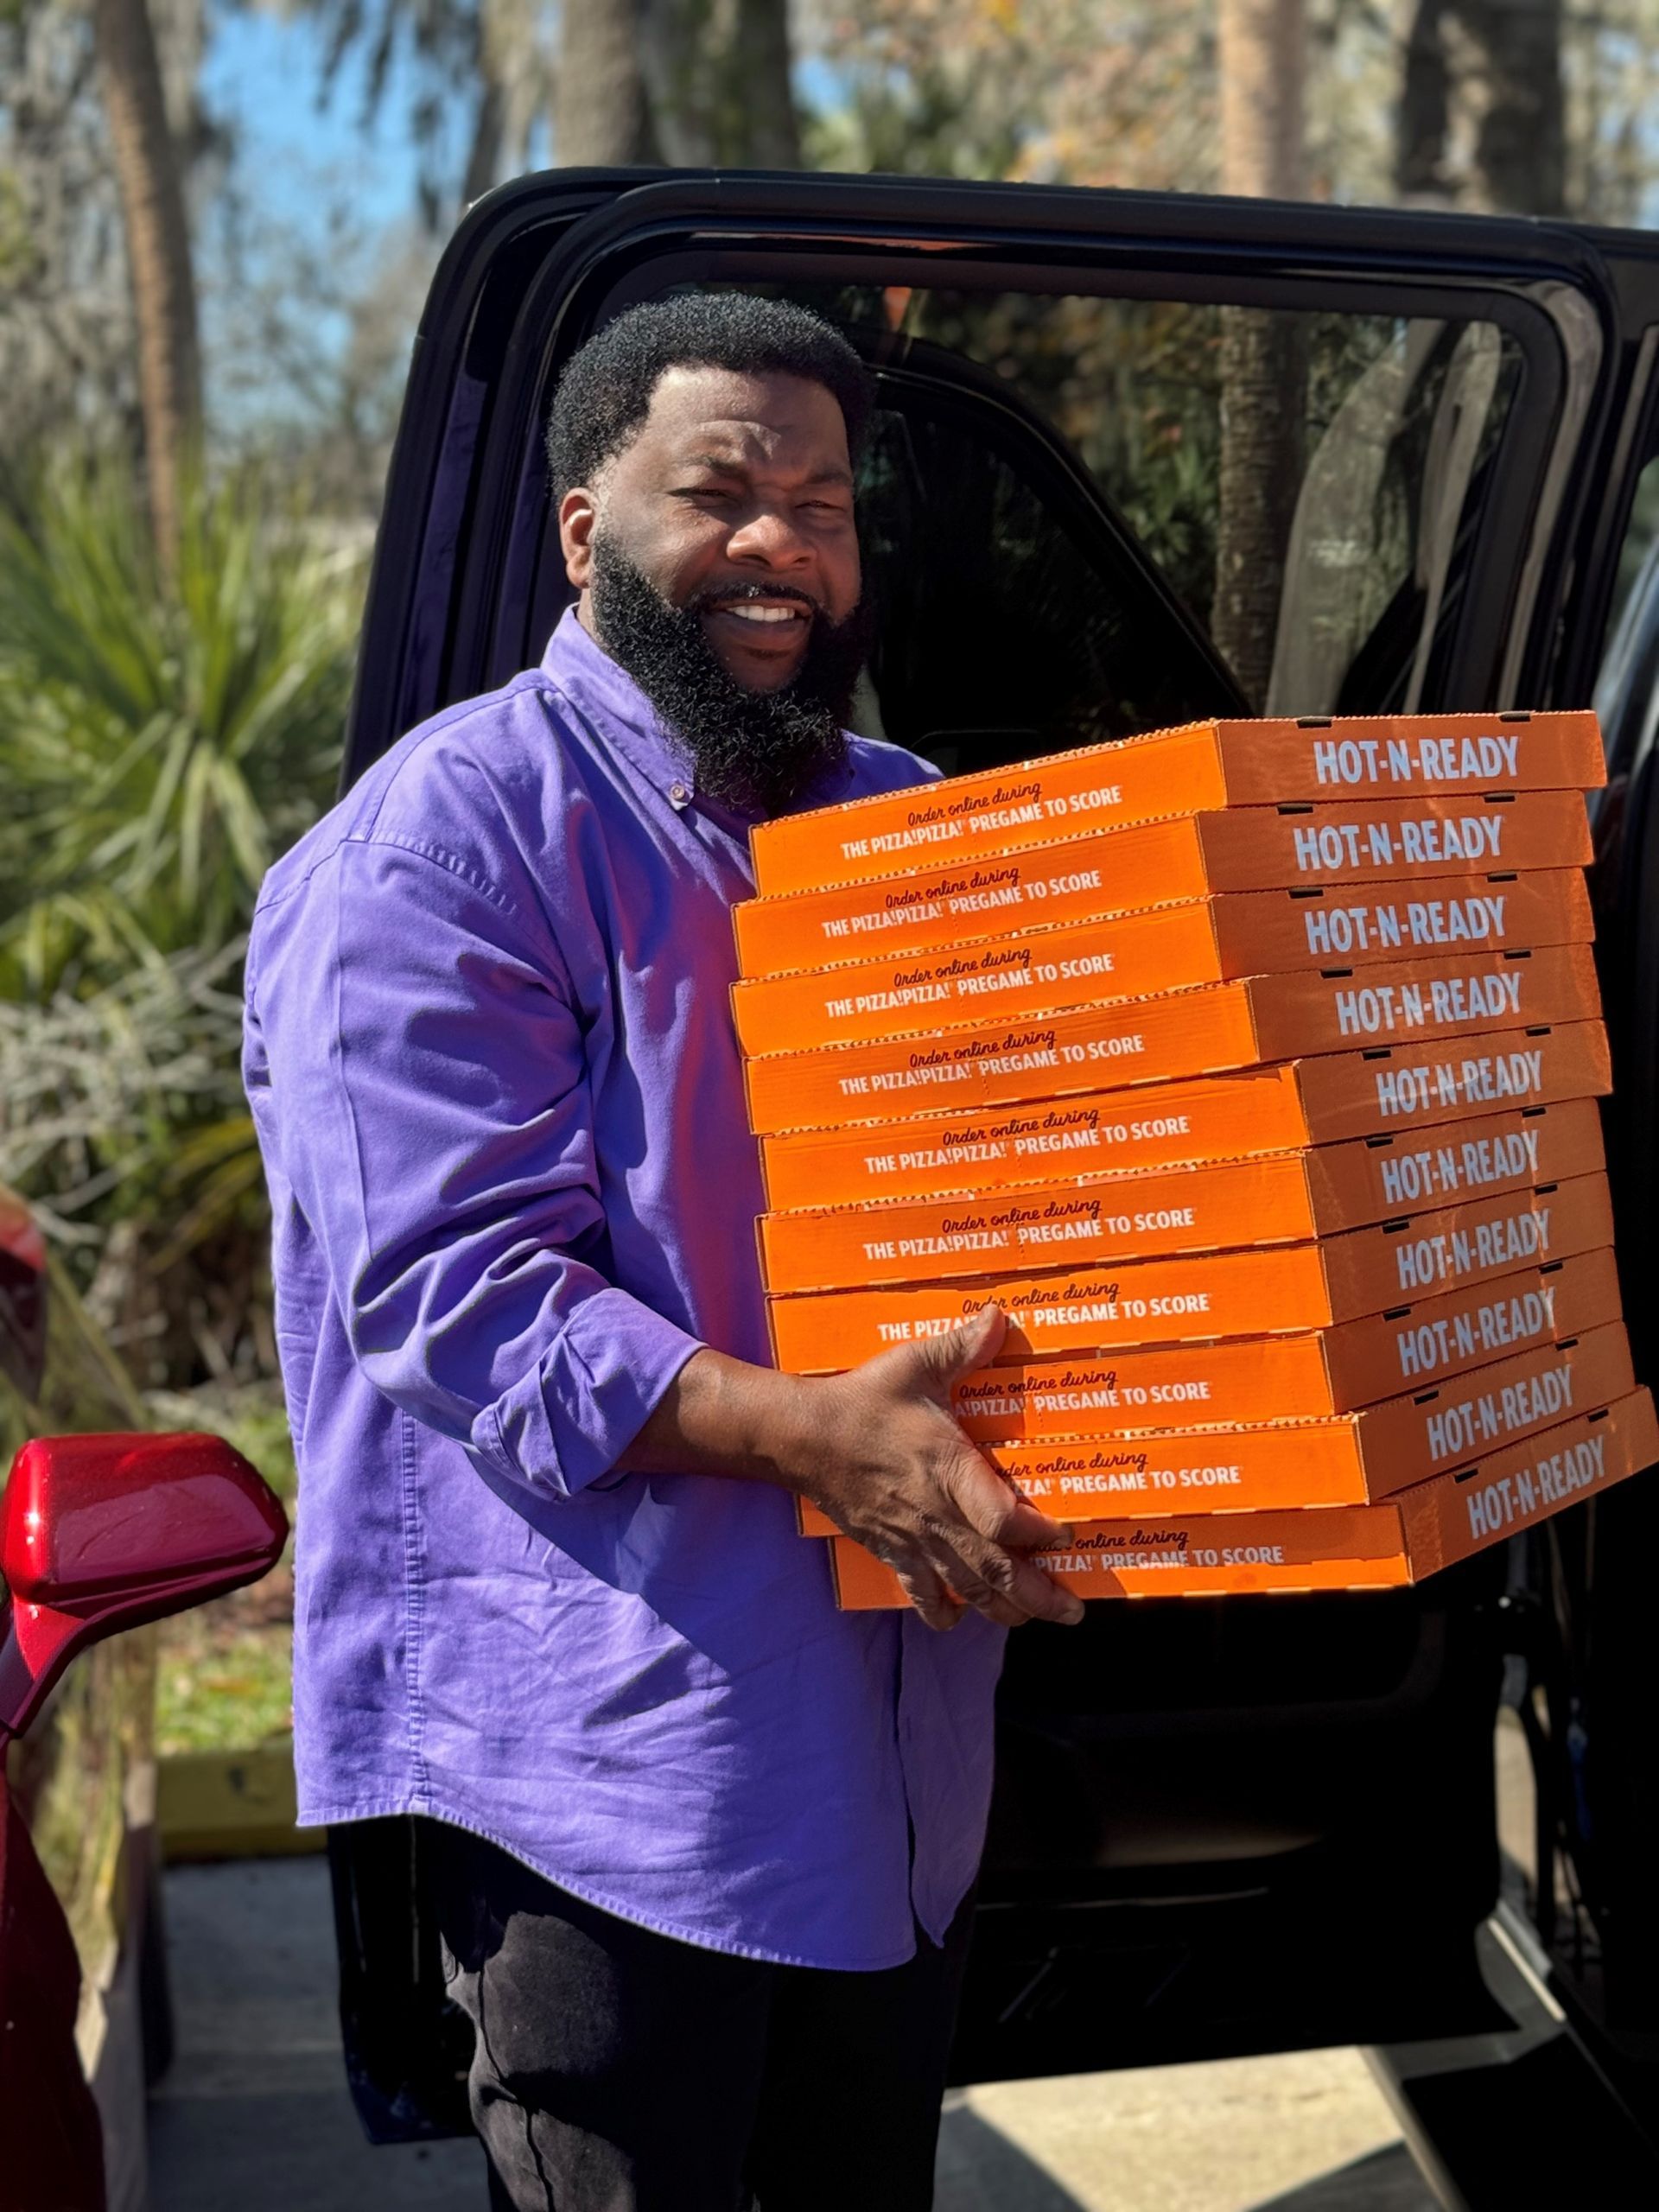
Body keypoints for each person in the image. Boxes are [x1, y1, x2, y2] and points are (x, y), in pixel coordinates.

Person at [244, 293, 1083, 2212]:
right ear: (583, 528)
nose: (783, 546)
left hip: (898, 1767)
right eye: (722, 491)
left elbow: (1043, 1191)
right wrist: (812, 1435)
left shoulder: (911, 828)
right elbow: (460, 1295)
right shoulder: (447, 842)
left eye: (825, 502)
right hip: (612, 1781)